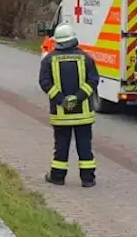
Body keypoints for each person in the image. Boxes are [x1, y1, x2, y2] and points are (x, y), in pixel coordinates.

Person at [38, 23, 99, 187]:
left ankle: (57, 177)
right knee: (85, 146)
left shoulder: (49, 59)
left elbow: (44, 82)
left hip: (61, 114)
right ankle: (88, 179)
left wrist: (61, 100)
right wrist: (78, 98)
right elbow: (93, 81)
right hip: (83, 114)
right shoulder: (86, 58)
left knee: (61, 146)